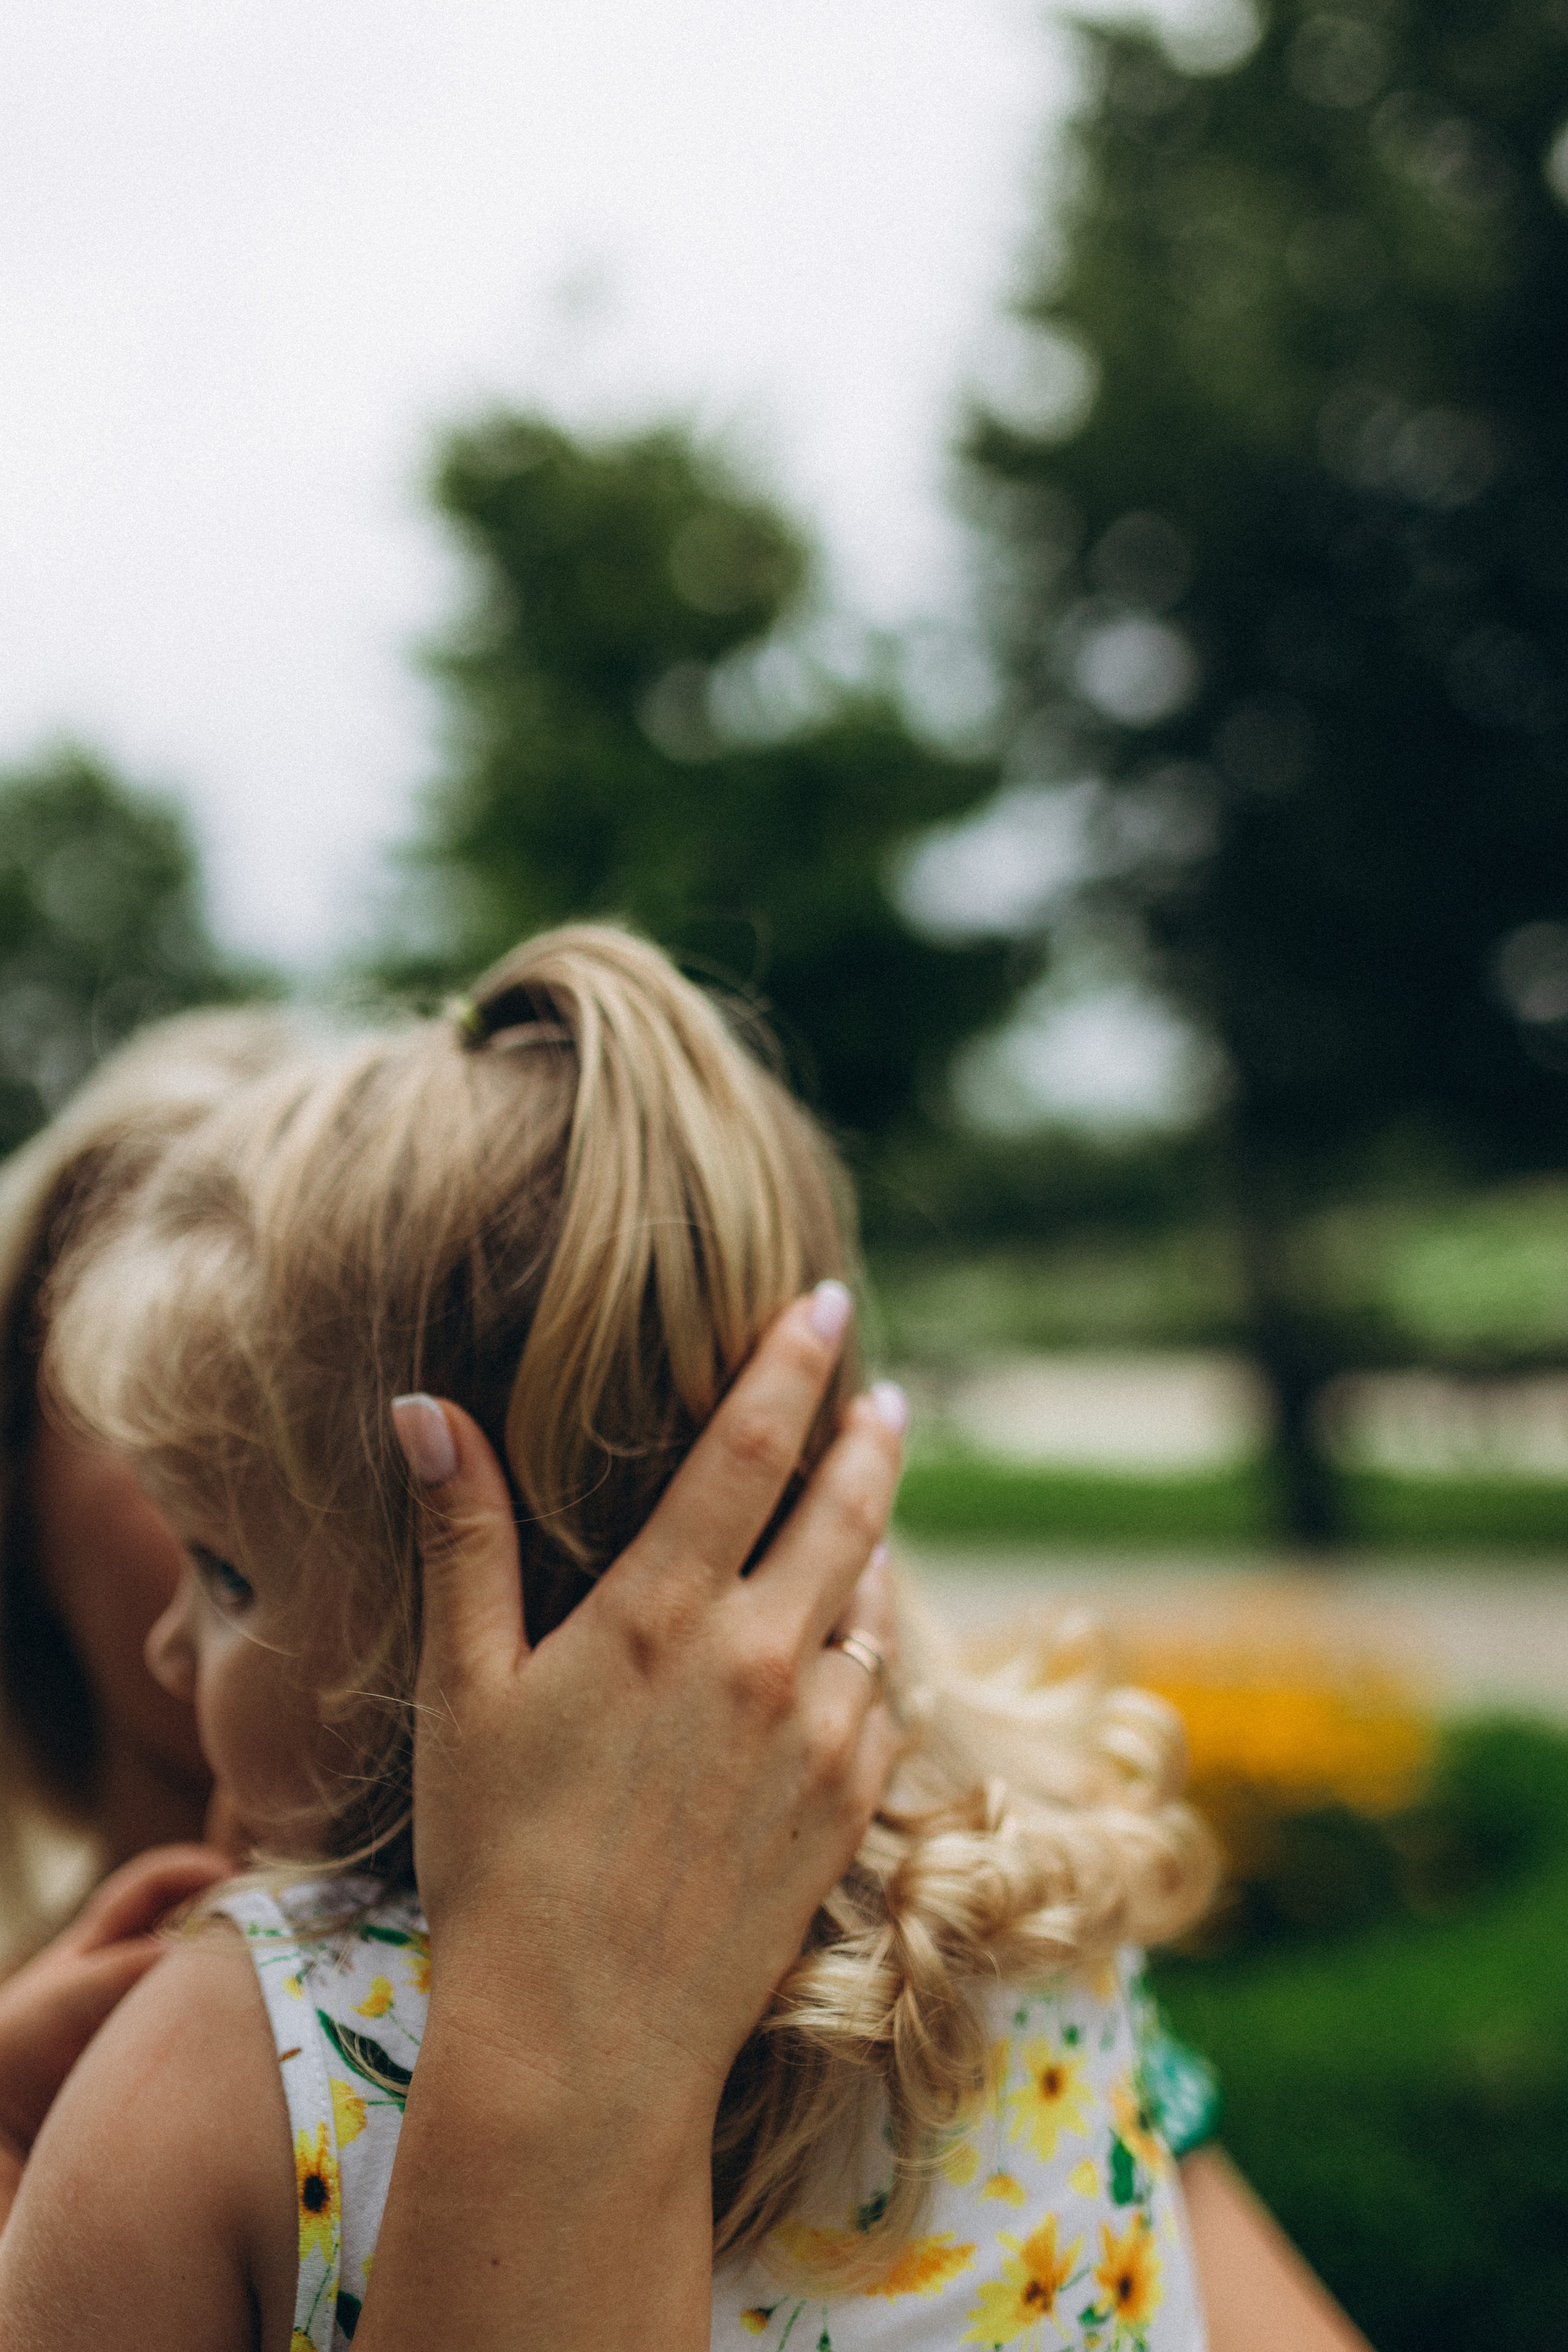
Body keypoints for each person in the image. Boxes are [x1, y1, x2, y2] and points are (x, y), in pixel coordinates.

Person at [9, 922, 1225, 2351]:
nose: (174, 1648)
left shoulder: (214, 2071)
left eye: (226, 1576)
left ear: (451, 1625)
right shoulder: (1035, 1947)